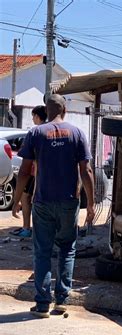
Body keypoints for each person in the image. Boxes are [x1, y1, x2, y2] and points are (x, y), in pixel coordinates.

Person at [12, 94, 95, 318]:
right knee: (67, 249)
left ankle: (42, 305)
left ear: (46, 112)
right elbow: (86, 171)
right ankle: (62, 301)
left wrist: (17, 199)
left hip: (43, 201)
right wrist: (92, 204)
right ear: (65, 111)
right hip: (69, 201)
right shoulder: (77, 133)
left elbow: (23, 171)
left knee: (42, 252)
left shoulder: (36, 133)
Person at [10, 105, 48, 238]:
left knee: (26, 198)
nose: (32, 119)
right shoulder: (52, 130)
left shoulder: (35, 132)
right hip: (47, 174)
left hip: (35, 173)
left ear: (37, 117)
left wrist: (16, 201)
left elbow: (27, 167)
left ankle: (27, 228)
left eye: (33, 116)